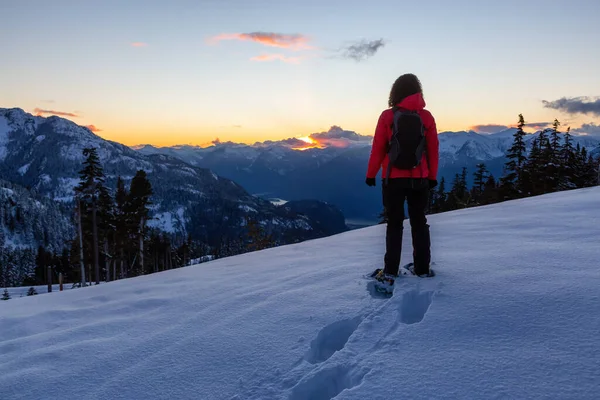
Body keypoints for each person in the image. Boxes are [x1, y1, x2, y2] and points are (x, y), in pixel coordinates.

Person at [365, 73, 439, 289]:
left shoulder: (387, 116)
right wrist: (432, 176)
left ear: (395, 93)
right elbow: (433, 150)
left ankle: (390, 272)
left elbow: (378, 147)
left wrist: (371, 174)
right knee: (419, 222)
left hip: (393, 179)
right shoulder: (426, 117)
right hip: (420, 180)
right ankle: (422, 269)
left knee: (394, 224)